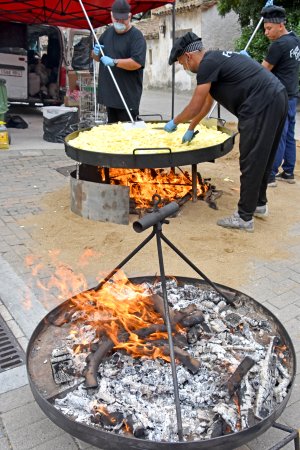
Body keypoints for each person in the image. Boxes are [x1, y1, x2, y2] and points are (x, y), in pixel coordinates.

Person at [164, 32, 288, 232]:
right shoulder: (215, 59)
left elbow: (195, 105)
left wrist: (174, 122)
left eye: (182, 64)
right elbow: (206, 103)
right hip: (277, 96)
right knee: (263, 157)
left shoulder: (205, 65)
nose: (185, 68)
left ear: (188, 56)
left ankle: (244, 217)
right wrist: (191, 127)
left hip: (259, 105)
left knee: (251, 160)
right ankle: (259, 204)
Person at [261, 5, 300, 187]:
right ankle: (289, 172)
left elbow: (262, 71)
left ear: (280, 25)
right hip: (292, 95)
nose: (266, 33)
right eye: (264, 29)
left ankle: (270, 174)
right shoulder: (295, 41)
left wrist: (245, 62)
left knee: (277, 135)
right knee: (289, 134)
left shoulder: (278, 45)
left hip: (279, 97)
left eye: (269, 28)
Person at [92, 0, 146, 123]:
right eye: (117, 19)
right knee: (112, 134)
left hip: (127, 97)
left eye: (124, 19)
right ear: (111, 16)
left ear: (130, 16)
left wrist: (114, 62)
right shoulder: (107, 34)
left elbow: (136, 63)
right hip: (109, 96)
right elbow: (96, 58)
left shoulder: (136, 37)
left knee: (126, 134)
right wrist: (95, 53)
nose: (120, 22)